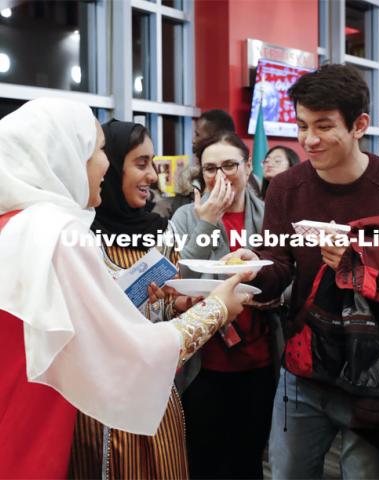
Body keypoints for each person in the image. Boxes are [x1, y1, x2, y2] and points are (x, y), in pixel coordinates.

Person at [0, 98, 253, 478]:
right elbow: (130, 353)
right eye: (98, 150)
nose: (104, 163)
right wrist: (218, 307)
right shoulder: (59, 234)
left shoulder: (15, 225)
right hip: (59, 430)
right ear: (66, 154)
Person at [224, 64, 379, 479]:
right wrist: (253, 268)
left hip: (375, 372)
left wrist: (361, 265)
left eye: (324, 126)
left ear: (359, 125)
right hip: (304, 365)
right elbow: (279, 267)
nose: (309, 139)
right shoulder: (286, 188)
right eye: (302, 125)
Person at [69, 119, 187, 478]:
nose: (152, 175)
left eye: (153, 163)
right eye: (140, 163)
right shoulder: (78, 238)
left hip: (154, 400)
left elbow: (163, 310)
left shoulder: (161, 233)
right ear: (112, 167)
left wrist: (179, 305)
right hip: (95, 407)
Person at [172, 131, 277, 479]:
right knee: (202, 461)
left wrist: (271, 296)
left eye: (229, 165)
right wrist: (207, 222)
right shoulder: (187, 217)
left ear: (248, 167)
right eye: (210, 168)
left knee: (248, 461)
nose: (219, 176)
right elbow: (177, 277)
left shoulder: (268, 216)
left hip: (259, 362)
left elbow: (287, 274)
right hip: (204, 365)